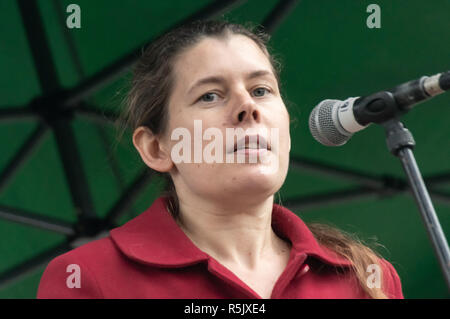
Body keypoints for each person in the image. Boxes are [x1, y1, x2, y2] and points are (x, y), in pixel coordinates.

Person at [37, 19, 403, 299]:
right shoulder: (86, 277)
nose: (248, 107)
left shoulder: (368, 277)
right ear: (156, 148)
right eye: (210, 96)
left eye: (261, 90)